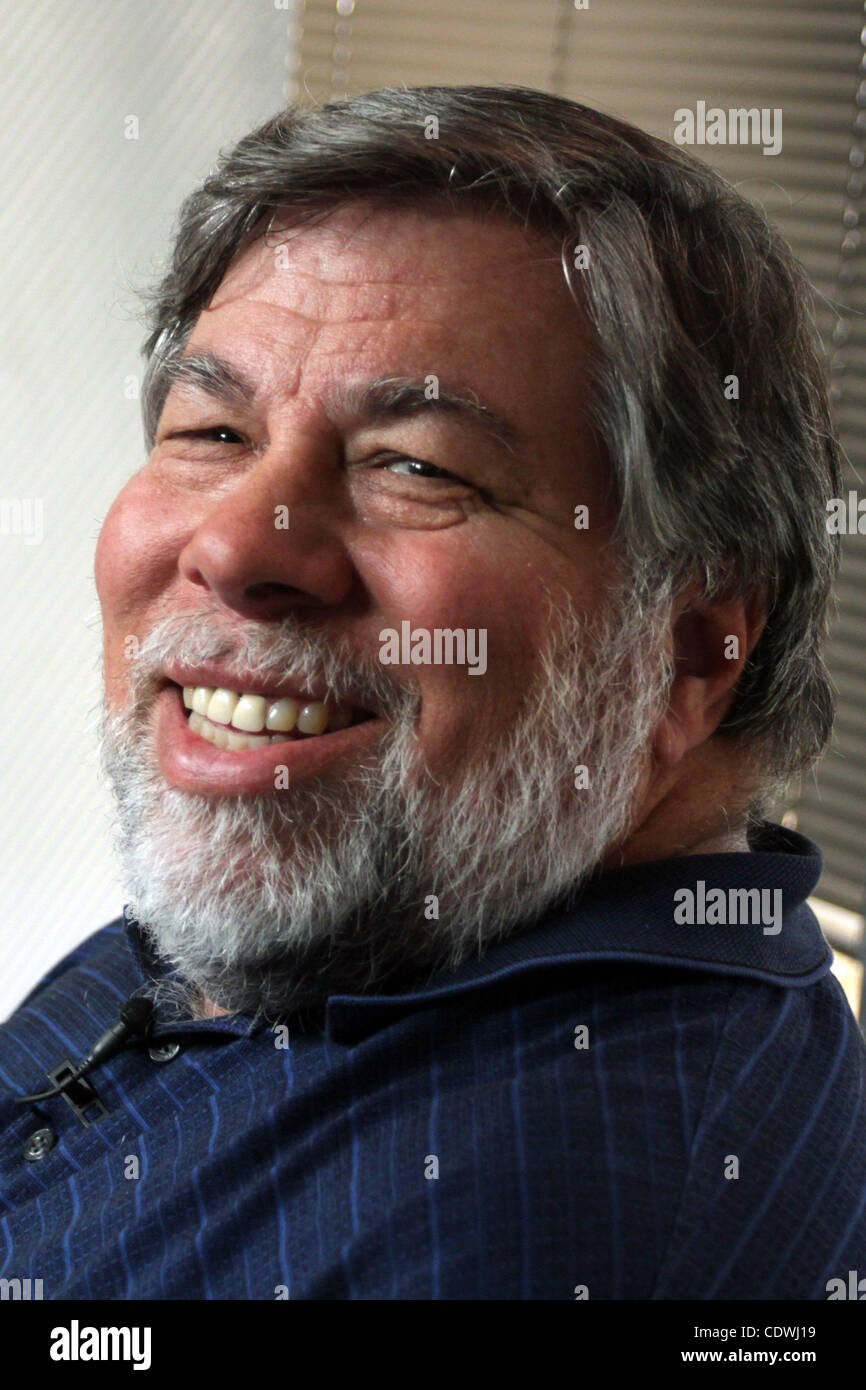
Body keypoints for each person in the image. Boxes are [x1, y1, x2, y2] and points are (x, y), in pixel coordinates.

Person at [1, 85, 863, 1301]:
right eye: (213, 430)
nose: (240, 549)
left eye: (416, 465)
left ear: (688, 654)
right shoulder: (390, 886)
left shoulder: (532, 1229)